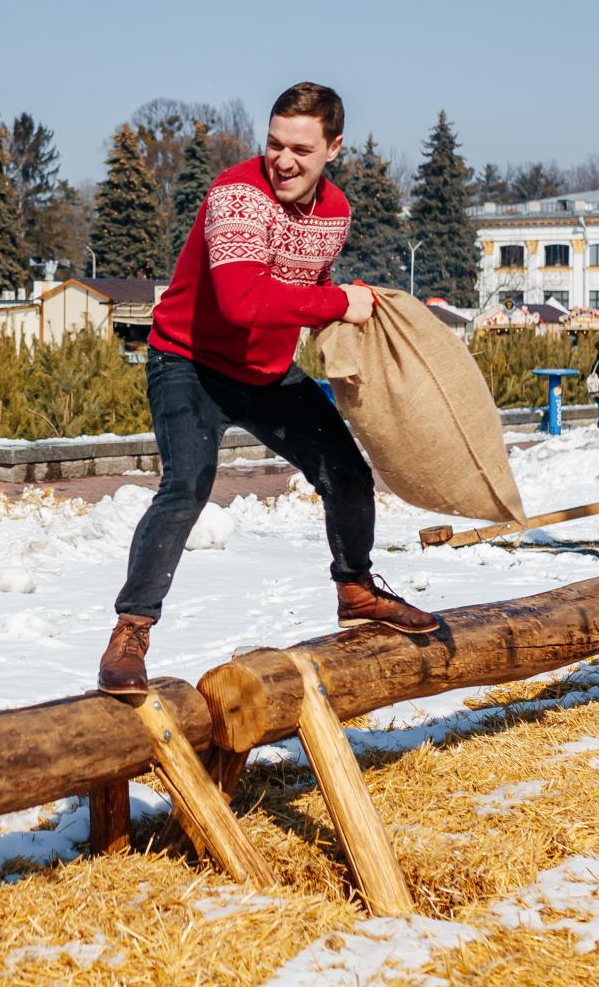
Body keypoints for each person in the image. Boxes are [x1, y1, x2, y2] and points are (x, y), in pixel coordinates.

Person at [95, 83, 436, 698]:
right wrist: (338, 303)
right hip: (189, 362)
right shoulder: (237, 197)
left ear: (333, 147)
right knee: (187, 486)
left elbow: (307, 286)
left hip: (267, 371)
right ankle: (131, 631)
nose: (283, 160)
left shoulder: (336, 211)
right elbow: (242, 301)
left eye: (301, 149)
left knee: (347, 475)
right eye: (275, 144)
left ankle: (356, 590)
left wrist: (353, 315)